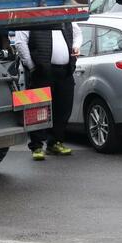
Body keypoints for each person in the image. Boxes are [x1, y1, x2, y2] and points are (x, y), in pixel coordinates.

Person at [12, 22, 82, 161]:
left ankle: (55, 143)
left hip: (65, 72)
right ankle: (37, 147)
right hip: (41, 72)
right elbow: (20, 43)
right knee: (37, 110)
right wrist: (32, 66)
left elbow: (78, 33)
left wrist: (76, 46)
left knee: (63, 109)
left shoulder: (64, 19)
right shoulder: (30, 20)